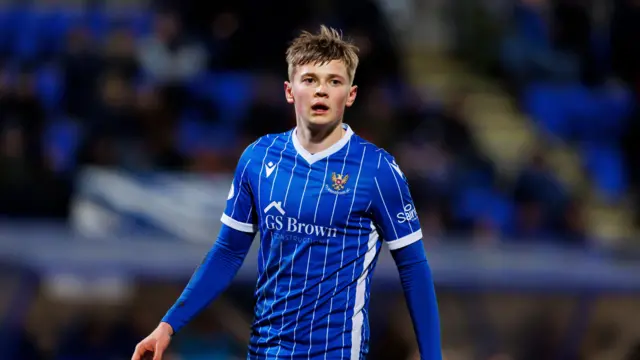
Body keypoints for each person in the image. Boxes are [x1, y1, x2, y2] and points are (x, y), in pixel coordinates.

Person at [131, 25, 442, 360]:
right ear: (289, 91)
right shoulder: (258, 158)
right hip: (266, 352)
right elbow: (227, 253)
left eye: (334, 81)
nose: (321, 91)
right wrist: (168, 324)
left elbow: (413, 267)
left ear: (350, 94)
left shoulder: (377, 170)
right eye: (310, 80)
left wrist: (432, 356)